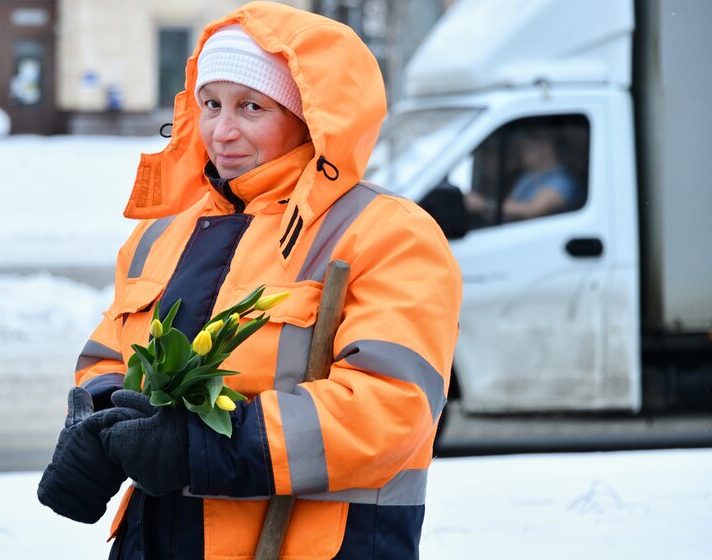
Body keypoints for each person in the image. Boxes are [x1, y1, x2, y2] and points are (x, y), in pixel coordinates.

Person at [37, 3, 461, 558]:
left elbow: (389, 408)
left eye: (251, 107)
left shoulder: (385, 234)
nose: (222, 130)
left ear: (310, 115)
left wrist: (208, 445)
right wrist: (99, 422)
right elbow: (110, 356)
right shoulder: (163, 234)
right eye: (210, 104)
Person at [465, 131, 578, 223]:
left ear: (546, 150)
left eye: (527, 148)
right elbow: (508, 206)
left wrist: (484, 204)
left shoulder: (561, 181)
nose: (521, 153)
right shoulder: (528, 176)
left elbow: (531, 210)